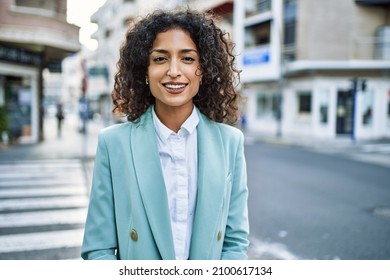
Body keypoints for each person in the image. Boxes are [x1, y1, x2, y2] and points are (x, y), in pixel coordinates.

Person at [81, 9, 249, 260]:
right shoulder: (113, 143)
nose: (173, 71)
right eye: (160, 59)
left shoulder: (230, 142)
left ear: (204, 69)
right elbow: (98, 247)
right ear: (144, 70)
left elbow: (234, 242)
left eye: (188, 59)